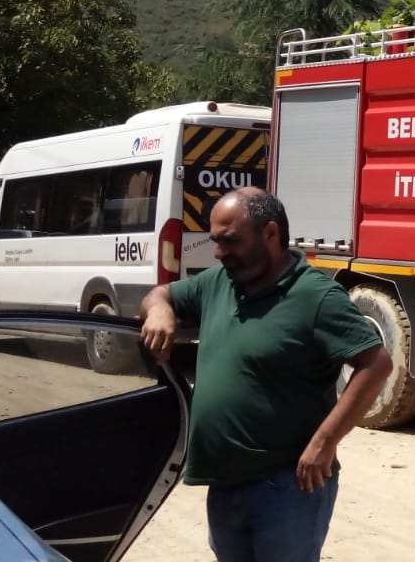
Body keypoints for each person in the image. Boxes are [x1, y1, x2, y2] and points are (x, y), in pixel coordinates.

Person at [138, 187, 392, 562]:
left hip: (286, 488)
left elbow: (376, 364)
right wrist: (161, 310)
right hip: (224, 484)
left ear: (270, 234)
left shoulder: (314, 296)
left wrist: (325, 443)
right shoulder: (218, 283)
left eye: (230, 241)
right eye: (215, 242)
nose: (219, 253)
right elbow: (159, 294)